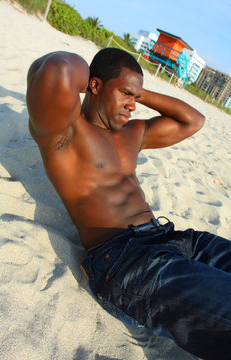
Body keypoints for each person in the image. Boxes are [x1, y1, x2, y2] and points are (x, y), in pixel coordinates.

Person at [27, 48, 231, 360]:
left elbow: (193, 121)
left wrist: (136, 90)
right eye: (125, 93)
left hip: (171, 239)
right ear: (94, 86)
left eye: (135, 97)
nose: (133, 106)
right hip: (126, 261)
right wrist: (96, 75)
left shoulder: (132, 133)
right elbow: (54, 68)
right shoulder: (65, 134)